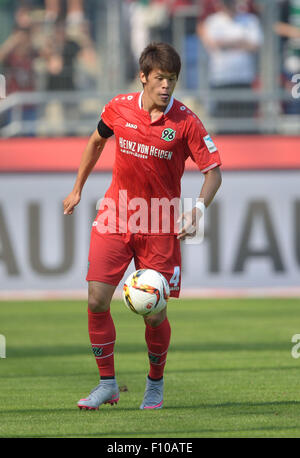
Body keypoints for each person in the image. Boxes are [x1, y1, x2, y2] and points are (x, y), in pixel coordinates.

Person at [62, 42, 222, 411]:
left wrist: (197, 208)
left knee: (155, 312)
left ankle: (155, 384)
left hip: (160, 224)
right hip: (116, 215)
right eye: (160, 78)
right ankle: (107, 385)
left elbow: (213, 173)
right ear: (144, 77)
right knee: (96, 300)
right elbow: (96, 141)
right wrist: (77, 189)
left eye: (173, 80)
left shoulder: (186, 122)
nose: (166, 86)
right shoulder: (119, 108)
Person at [197, 0, 263, 119]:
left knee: (245, 121)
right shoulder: (213, 21)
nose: (229, 6)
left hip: (244, 78)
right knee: (224, 122)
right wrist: (241, 41)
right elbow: (212, 43)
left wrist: (225, 43)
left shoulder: (250, 20)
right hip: (221, 78)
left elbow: (255, 45)